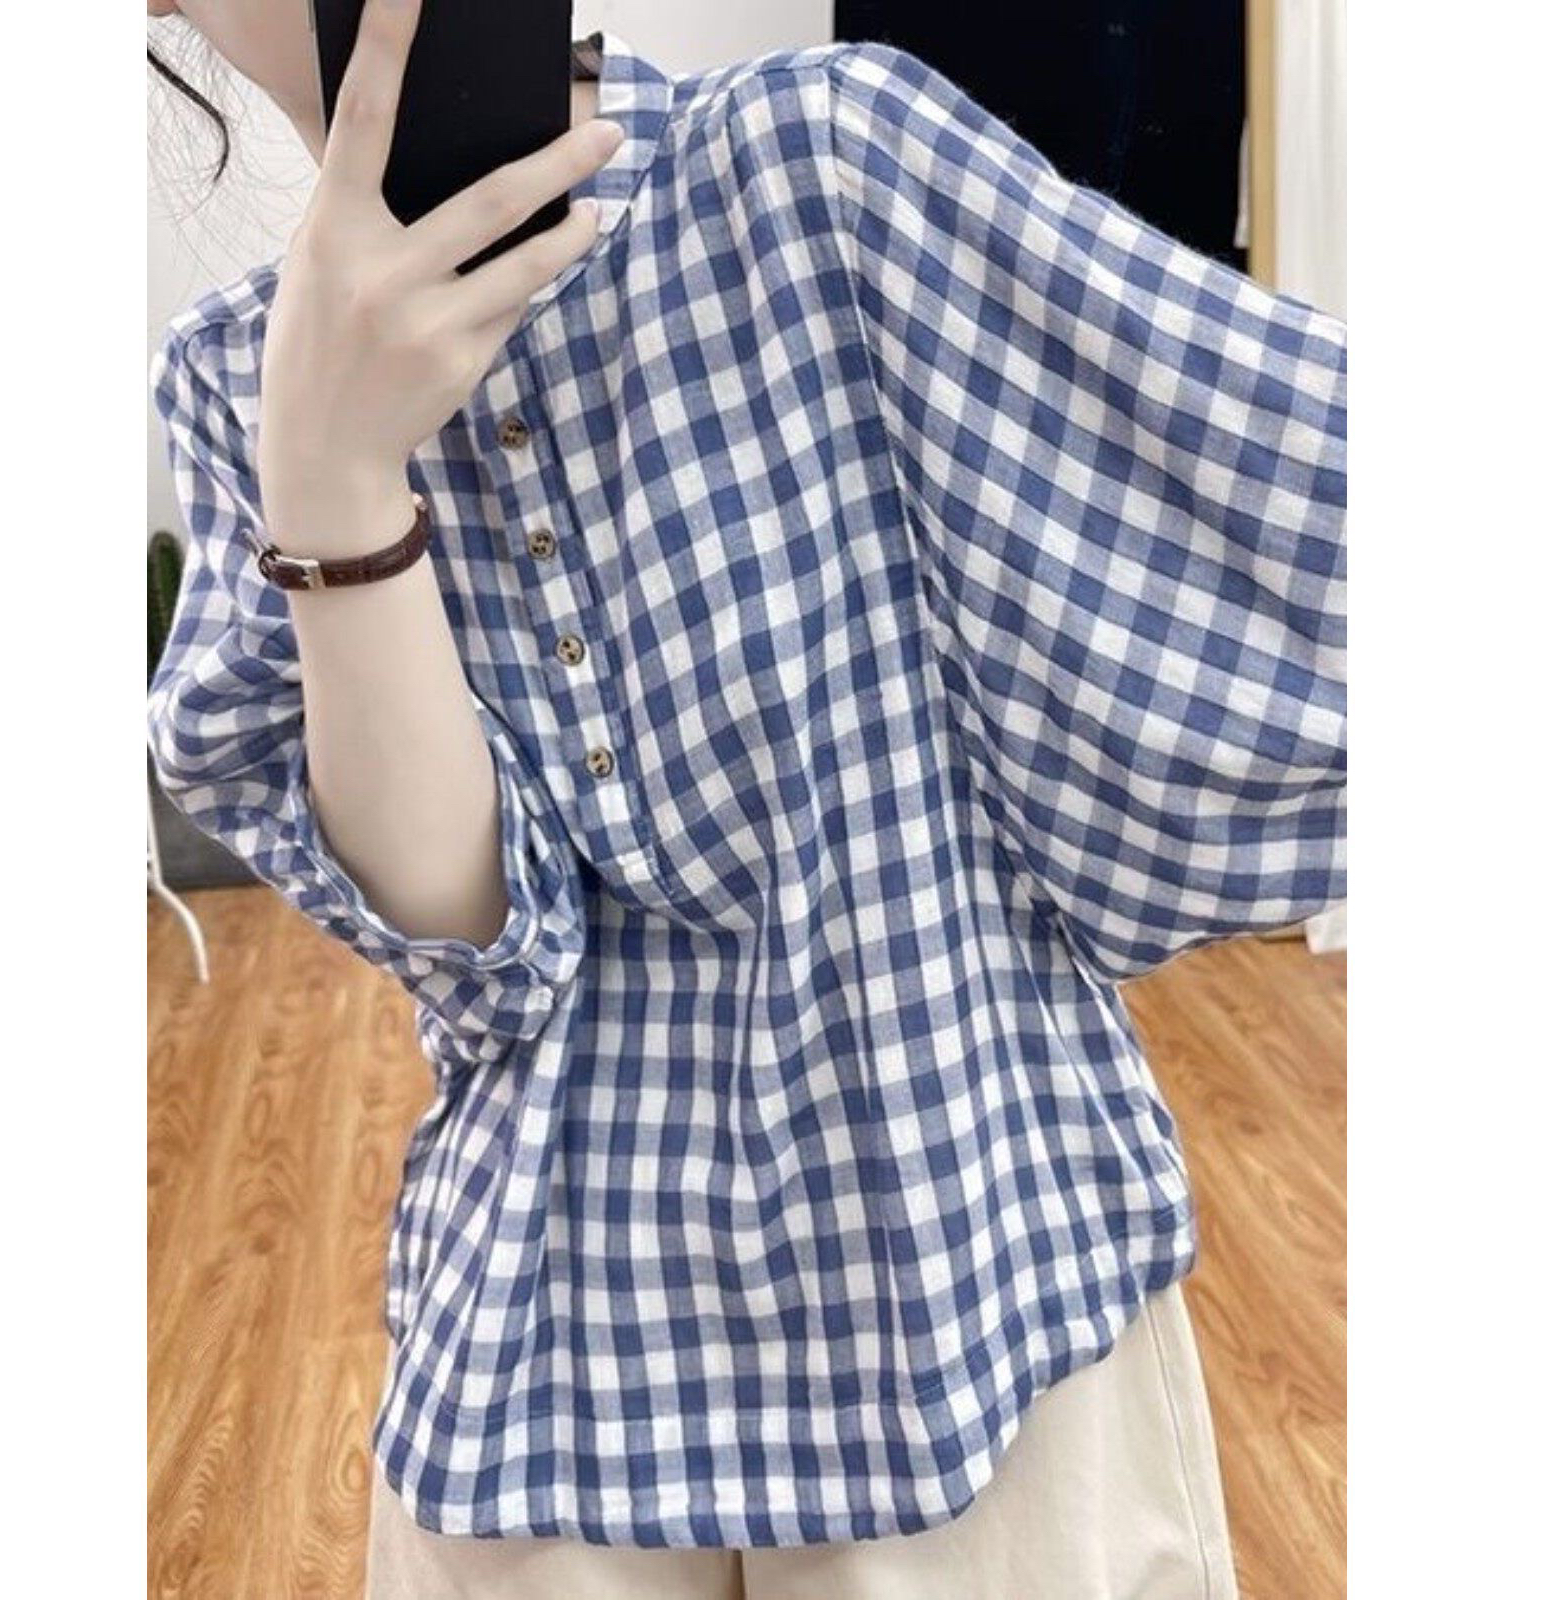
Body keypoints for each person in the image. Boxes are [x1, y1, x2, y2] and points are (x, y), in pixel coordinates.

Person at [146, 2, 1345, 1595]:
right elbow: (481, 959)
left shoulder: (823, 165)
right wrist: (335, 484)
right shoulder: (237, 377)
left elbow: (1327, 516)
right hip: (547, 1383)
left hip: (974, 1305)